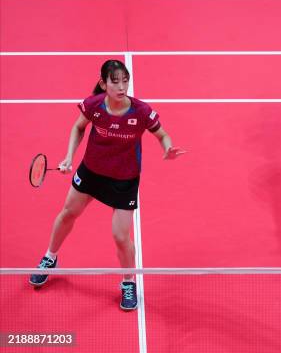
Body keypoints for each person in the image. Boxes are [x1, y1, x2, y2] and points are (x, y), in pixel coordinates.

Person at [29, 59, 186, 310]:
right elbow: (78, 128)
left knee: (120, 236)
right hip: (91, 172)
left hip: (124, 179)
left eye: (125, 81)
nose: (122, 86)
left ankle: (128, 283)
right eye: (115, 81)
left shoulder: (141, 111)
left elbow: (162, 134)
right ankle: (49, 258)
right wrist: (69, 156)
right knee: (68, 213)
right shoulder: (94, 105)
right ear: (104, 83)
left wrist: (167, 147)